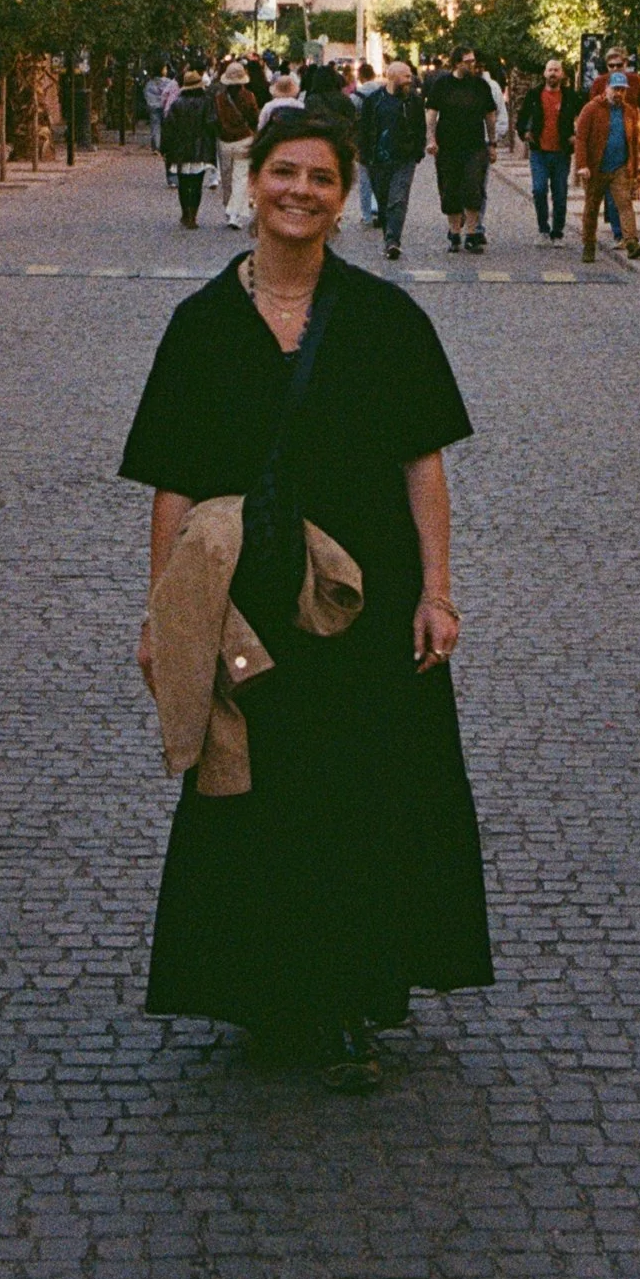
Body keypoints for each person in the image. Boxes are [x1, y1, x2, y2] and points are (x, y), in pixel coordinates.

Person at [125, 107, 492, 1091]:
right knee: (256, 789)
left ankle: (342, 997)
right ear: (253, 184)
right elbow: (171, 481)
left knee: (358, 795)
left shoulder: (383, 319)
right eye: (284, 172)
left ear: (343, 195)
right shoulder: (202, 324)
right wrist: (164, 618)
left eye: (321, 177)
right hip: (242, 603)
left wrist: (438, 593)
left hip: (366, 598)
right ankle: (264, 987)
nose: (300, 191)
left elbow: (422, 463)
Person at [423, 46, 497, 255]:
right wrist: (431, 139)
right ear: (457, 63)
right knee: (450, 188)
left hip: (474, 145)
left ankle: (472, 233)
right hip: (448, 146)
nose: (472, 64)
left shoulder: (480, 86)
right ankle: (454, 232)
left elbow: (490, 115)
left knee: (473, 187)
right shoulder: (442, 85)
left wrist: (492, 143)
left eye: (473, 60)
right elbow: (431, 113)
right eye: (468, 61)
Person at [573, 62, 640, 263]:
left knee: (624, 204)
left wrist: (633, 169)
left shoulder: (629, 111)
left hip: (619, 166)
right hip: (596, 167)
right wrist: (582, 165)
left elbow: (632, 141)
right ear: (607, 88)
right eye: (615, 89)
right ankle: (589, 244)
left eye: (622, 90)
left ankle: (631, 242)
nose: (618, 93)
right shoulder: (591, 109)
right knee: (592, 207)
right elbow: (581, 138)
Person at [361, 60, 427, 259]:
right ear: (393, 77)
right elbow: (364, 128)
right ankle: (388, 236)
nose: (410, 80)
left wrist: (418, 150)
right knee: (383, 201)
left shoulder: (413, 101)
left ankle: (393, 241)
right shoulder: (374, 100)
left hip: (404, 159)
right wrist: (363, 155)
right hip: (377, 160)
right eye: (406, 76)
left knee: (398, 199)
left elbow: (420, 127)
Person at [514, 58, 582, 243]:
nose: (553, 73)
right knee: (539, 189)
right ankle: (543, 229)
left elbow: (584, 117)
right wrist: (525, 133)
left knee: (560, 193)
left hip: (561, 152)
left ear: (562, 74)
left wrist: (576, 135)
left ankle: (557, 232)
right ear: (544, 73)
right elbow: (522, 118)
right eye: (550, 70)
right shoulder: (534, 95)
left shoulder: (570, 96)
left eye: (556, 70)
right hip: (539, 152)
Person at [161, 71, 217, 227]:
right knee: (197, 184)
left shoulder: (177, 104)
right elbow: (212, 125)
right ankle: (193, 215)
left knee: (184, 184)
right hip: (201, 148)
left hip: (180, 148)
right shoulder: (207, 103)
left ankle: (186, 213)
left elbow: (168, 127)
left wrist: (164, 148)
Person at [212, 61, 262, 227]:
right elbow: (254, 118)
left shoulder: (219, 98)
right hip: (244, 138)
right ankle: (235, 214)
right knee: (240, 178)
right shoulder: (249, 96)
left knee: (226, 177)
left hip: (225, 141)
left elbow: (215, 120)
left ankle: (230, 209)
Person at [348, 62, 381, 227]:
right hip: (382, 139)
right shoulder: (384, 92)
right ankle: (381, 210)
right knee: (382, 178)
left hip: (362, 142)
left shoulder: (356, 96)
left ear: (360, 76)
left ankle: (366, 215)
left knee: (365, 180)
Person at [142, 65, 176, 152]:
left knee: (155, 126)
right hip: (166, 107)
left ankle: (156, 146)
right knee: (166, 126)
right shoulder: (169, 82)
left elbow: (146, 94)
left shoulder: (150, 83)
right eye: (165, 68)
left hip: (154, 107)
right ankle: (165, 145)